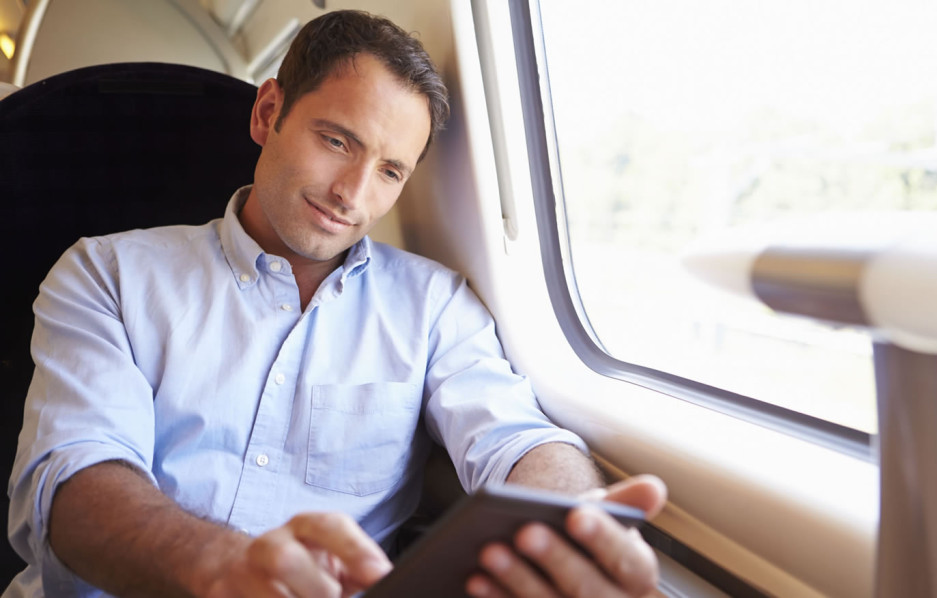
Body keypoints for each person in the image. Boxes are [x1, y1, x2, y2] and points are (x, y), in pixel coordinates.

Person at [5, 10, 666, 598]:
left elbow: (519, 441)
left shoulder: (435, 308)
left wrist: (577, 522)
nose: (354, 193)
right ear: (268, 114)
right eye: (338, 141)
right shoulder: (107, 272)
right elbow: (74, 484)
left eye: (389, 171)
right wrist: (220, 567)